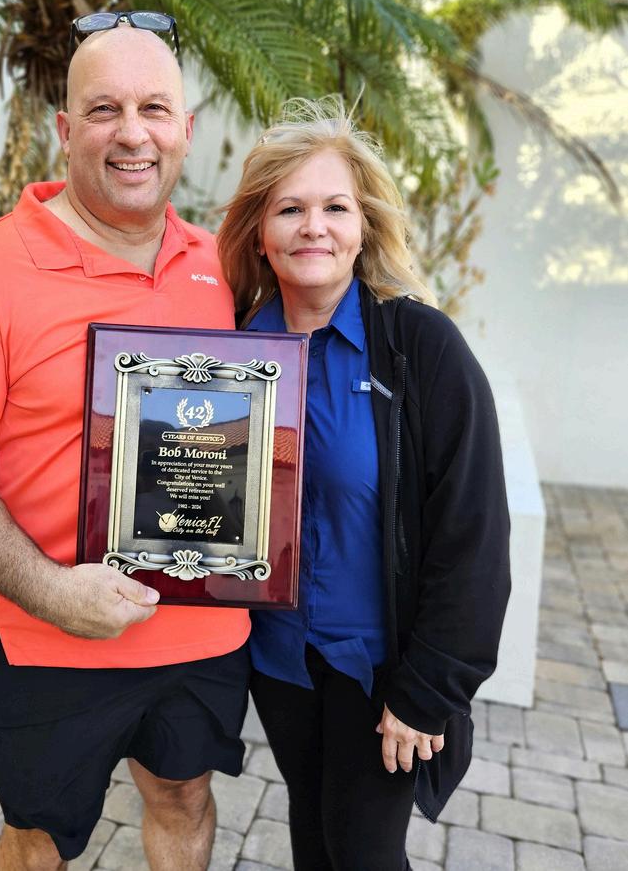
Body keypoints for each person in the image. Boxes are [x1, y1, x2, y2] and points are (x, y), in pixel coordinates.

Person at [0, 17, 251, 871]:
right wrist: (48, 591)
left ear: (186, 130)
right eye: (103, 109)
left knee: (185, 797)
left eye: (154, 109)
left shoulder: (225, 267)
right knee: (40, 837)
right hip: (48, 638)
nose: (132, 133)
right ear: (65, 129)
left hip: (204, 632)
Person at [216, 98, 511, 871]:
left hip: (381, 675)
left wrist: (428, 690)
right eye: (289, 209)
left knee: (363, 854)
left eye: (334, 207)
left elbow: (473, 533)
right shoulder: (225, 357)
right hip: (278, 664)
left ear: (364, 227)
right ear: (258, 231)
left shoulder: (420, 347)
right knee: (314, 840)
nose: (312, 227)